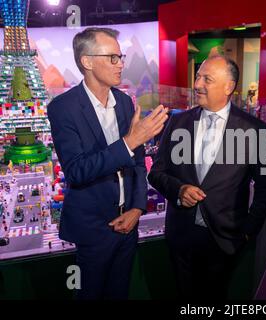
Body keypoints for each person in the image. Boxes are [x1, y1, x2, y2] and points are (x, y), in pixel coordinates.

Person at [47, 27, 168, 299]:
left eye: (121, 56)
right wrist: (129, 141)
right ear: (86, 62)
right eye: (112, 57)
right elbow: (77, 171)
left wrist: (137, 207)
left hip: (128, 226)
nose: (121, 64)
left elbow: (137, 163)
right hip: (93, 231)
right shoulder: (63, 108)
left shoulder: (125, 102)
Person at [148, 55, 266, 299]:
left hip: (225, 239)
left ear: (228, 87)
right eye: (197, 76)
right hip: (181, 235)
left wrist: (249, 231)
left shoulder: (255, 130)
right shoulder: (177, 122)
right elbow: (156, 172)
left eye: (207, 79)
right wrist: (178, 190)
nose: (197, 84)